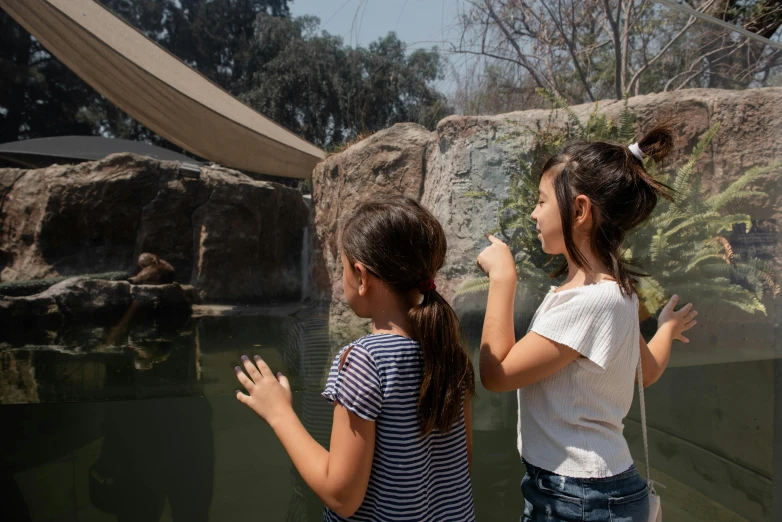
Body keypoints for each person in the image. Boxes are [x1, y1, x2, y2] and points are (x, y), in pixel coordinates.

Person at [476, 124, 699, 521]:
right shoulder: (617, 295)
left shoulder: (590, 302)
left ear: (579, 210)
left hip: (578, 497)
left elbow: (497, 374)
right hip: (595, 491)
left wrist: (502, 278)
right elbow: (644, 373)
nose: (534, 212)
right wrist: (665, 329)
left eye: (542, 201)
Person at [235, 195, 476, 521]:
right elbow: (461, 463)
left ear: (361, 277)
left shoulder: (364, 361)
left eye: (342, 266)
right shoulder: (452, 354)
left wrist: (279, 412)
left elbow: (341, 496)